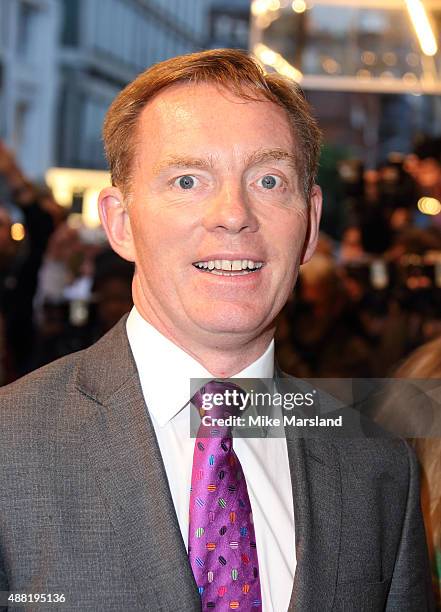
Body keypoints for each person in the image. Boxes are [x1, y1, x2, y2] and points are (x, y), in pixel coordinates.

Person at [0, 49, 433, 611]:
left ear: (309, 225)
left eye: (270, 180)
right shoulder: (11, 450)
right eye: (187, 180)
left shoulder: (379, 470)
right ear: (121, 223)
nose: (234, 213)